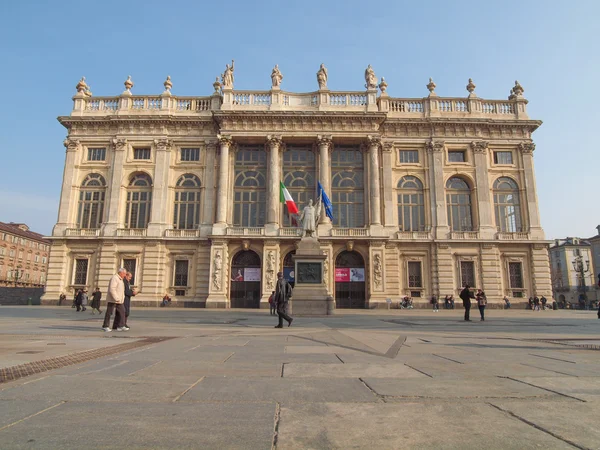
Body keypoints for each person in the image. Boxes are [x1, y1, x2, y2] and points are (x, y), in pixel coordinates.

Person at [102, 268, 128, 332]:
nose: (125, 275)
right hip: (113, 299)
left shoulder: (120, 279)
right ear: (120, 273)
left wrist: (121, 298)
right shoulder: (115, 278)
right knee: (109, 312)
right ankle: (105, 326)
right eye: (124, 274)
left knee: (122, 311)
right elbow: (112, 289)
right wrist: (116, 298)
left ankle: (120, 326)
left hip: (119, 300)